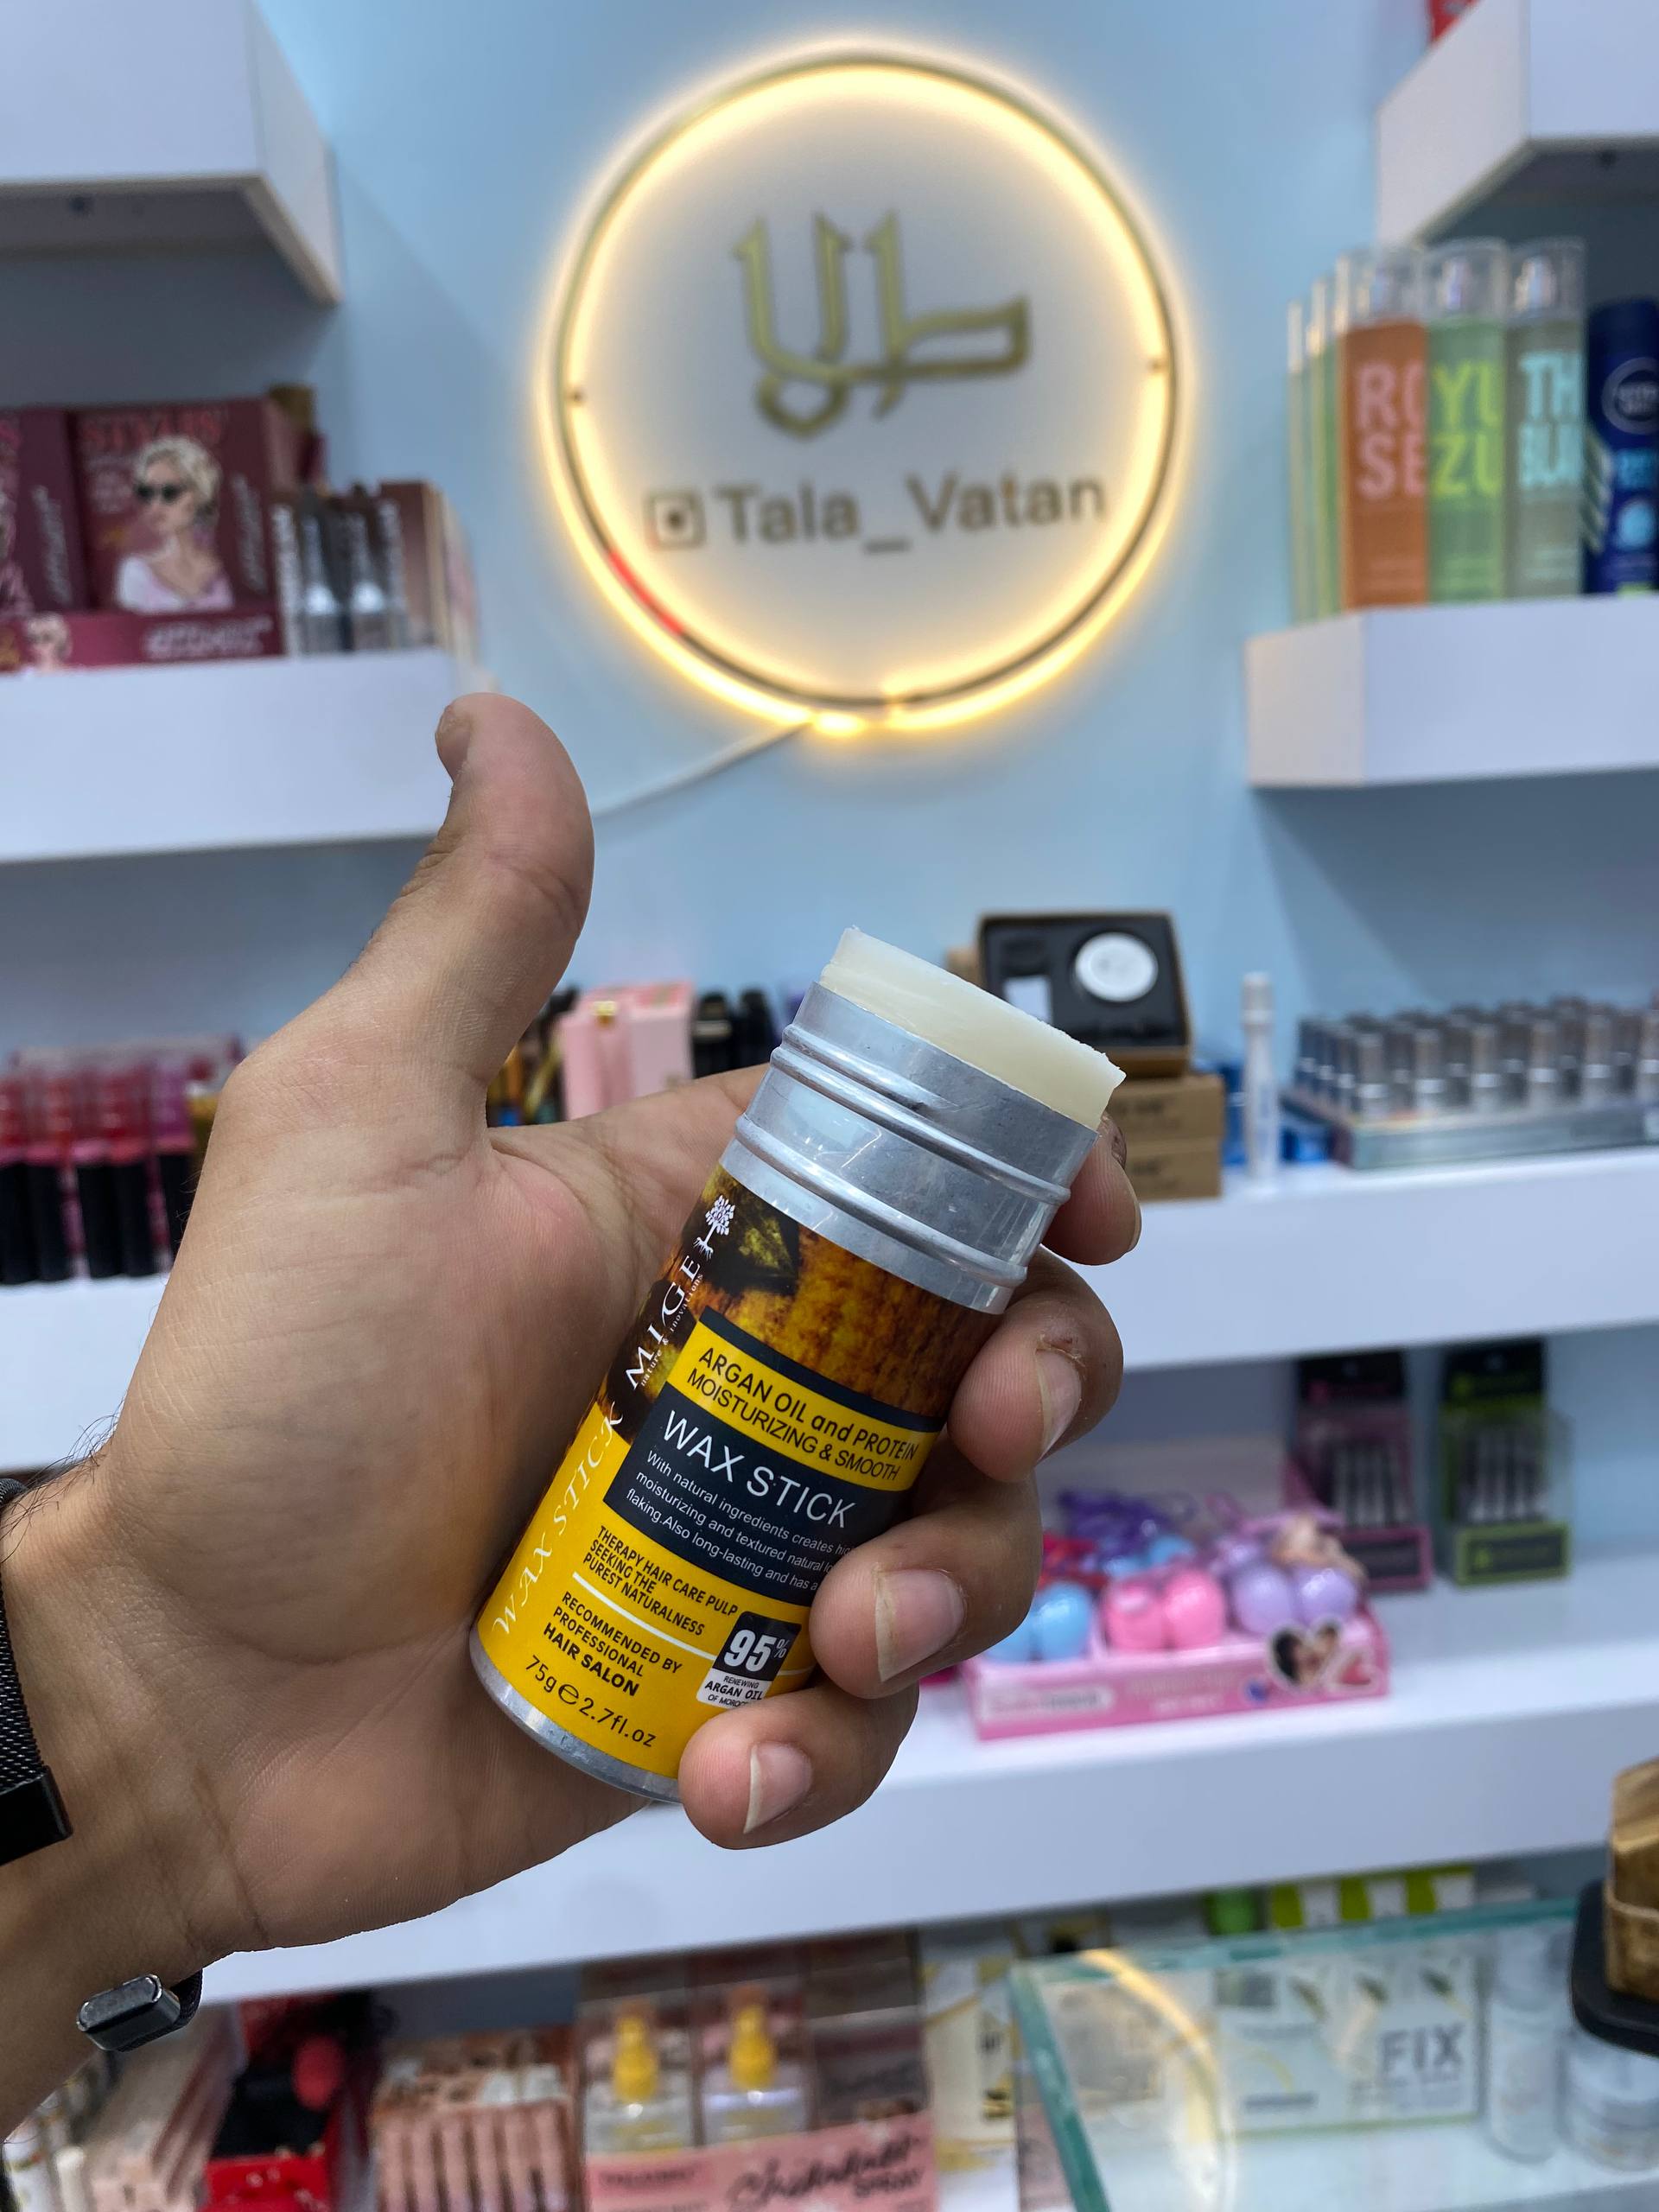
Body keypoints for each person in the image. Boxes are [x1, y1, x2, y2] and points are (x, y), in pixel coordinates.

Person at [0, 697, 1135, 2123]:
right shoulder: (725, 1225)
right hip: (516, 1643)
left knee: (826, 1491)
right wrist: (121, 1682)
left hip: (601, 1677)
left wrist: (126, 1736)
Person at [114, 435, 233, 613]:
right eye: (146, 493)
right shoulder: (136, 573)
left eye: (169, 492)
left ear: (198, 494)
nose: (155, 506)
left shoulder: (232, 565)